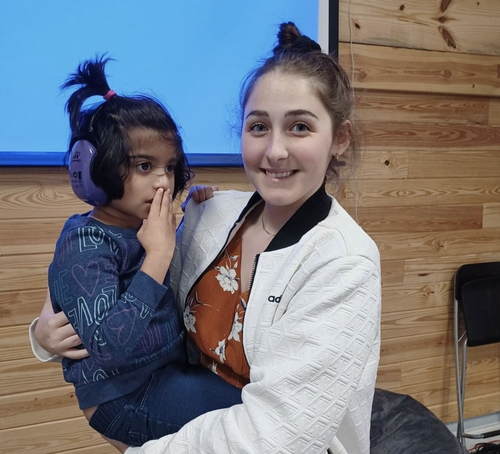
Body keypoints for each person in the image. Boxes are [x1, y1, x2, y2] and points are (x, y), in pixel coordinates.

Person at [31, 22, 381, 454]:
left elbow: (276, 435)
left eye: (300, 128)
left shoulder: (345, 262)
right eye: (258, 127)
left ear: (339, 139)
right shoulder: (210, 214)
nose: (275, 150)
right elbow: (101, 280)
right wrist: (43, 333)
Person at [36, 55, 243, 449]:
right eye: (145, 166)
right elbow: (109, 349)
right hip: (123, 397)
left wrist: (192, 214)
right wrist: (158, 256)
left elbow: (167, 271)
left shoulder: (143, 228)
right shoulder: (85, 242)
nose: (163, 181)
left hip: (164, 374)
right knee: (250, 412)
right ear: (97, 169)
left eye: (169, 167)